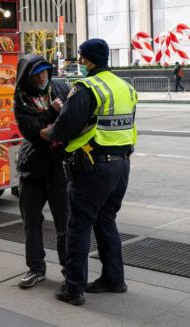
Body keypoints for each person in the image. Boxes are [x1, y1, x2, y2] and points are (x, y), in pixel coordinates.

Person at [39, 38, 137, 306]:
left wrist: (48, 131)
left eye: (81, 57)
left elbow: (65, 128)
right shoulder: (125, 87)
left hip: (93, 166)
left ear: (90, 59)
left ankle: (73, 288)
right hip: (121, 165)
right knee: (106, 220)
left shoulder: (87, 87)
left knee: (78, 225)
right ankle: (114, 279)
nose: (79, 62)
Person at [14, 54, 70, 289]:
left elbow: (72, 120)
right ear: (27, 77)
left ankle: (71, 271)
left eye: (45, 71)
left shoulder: (60, 87)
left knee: (65, 223)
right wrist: (51, 113)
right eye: (37, 73)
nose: (42, 76)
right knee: (32, 222)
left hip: (59, 166)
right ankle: (36, 269)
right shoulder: (21, 99)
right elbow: (32, 131)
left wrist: (53, 124)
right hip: (32, 168)